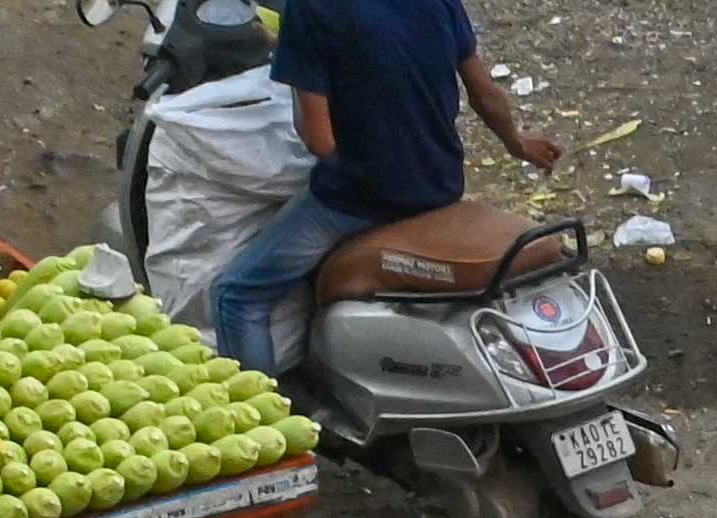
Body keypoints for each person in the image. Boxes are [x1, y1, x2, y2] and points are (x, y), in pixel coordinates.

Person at [208, 0, 567, 377]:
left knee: (237, 295)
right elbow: (483, 92)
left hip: (360, 203)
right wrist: (516, 143)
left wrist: (292, 53)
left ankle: (263, 424)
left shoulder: (310, 9)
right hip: (440, 183)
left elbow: (317, 138)